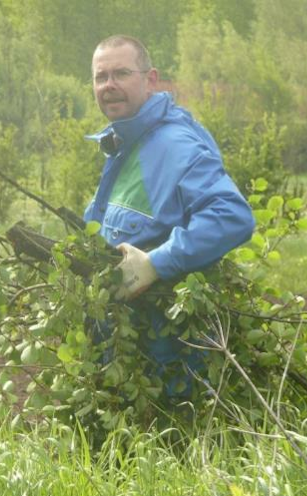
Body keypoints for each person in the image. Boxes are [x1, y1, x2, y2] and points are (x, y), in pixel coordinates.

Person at [83, 35, 255, 397]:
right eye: (101, 77)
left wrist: (157, 262)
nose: (109, 85)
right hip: (125, 360)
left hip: (166, 369)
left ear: (151, 79)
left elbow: (232, 215)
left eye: (121, 73)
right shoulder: (125, 142)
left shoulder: (173, 145)